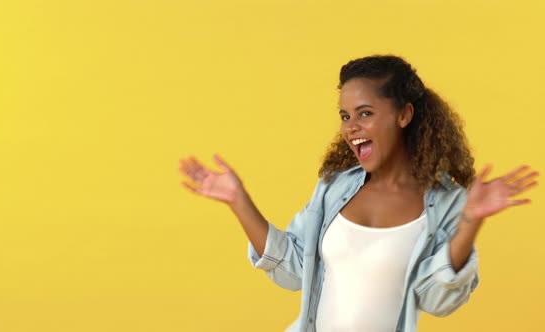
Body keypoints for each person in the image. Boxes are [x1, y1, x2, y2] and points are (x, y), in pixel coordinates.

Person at [178, 55, 539, 332]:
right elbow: (293, 269)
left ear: (404, 115)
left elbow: (437, 300)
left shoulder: (448, 202)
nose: (351, 128)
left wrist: (471, 221)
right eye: (345, 116)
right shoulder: (334, 188)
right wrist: (239, 202)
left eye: (364, 113)